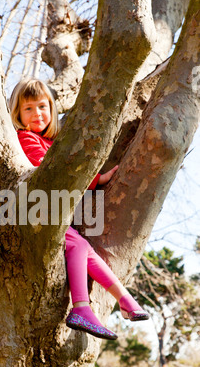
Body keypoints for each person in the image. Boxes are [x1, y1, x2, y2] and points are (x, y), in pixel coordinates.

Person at [9, 78, 149, 340]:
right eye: (28, 109)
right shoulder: (26, 137)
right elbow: (53, 173)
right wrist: (97, 179)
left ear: (51, 110)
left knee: (84, 248)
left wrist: (99, 179)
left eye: (42, 107)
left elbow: (68, 176)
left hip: (52, 213)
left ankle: (124, 299)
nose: (37, 114)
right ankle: (83, 308)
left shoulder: (51, 143)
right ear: (17, 114)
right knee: (78, 245)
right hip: (35, 214)